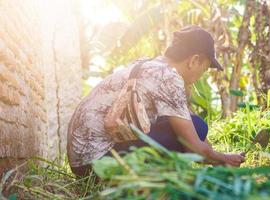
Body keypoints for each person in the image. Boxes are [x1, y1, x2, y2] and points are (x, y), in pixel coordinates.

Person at [67, 25, 245, 177]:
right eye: (204, 69)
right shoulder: (168, 77)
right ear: (194, 60)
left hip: (82, 163)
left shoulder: (152, 65)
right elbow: (193, 145)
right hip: (98, 164)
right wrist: (222, 159)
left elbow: (189, 124)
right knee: (199, 126)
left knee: (196, 126)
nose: (201, 76)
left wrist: (218, 159)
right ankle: (156, 178)